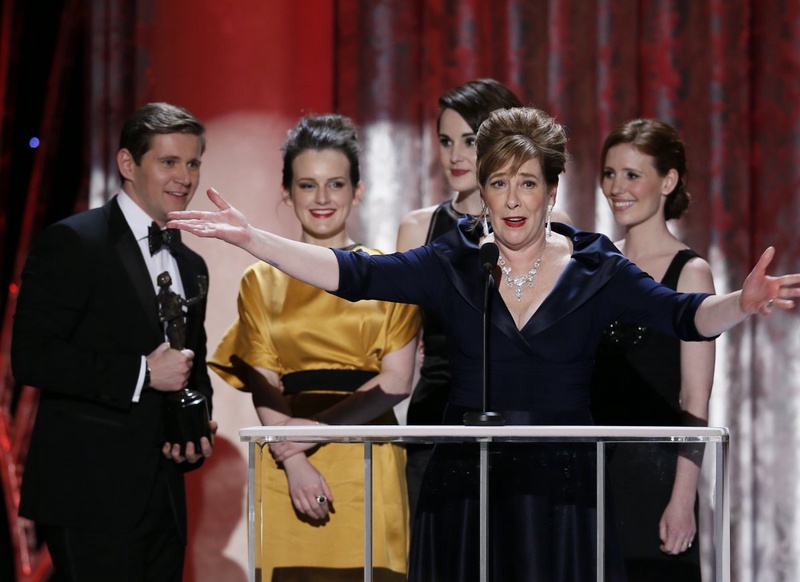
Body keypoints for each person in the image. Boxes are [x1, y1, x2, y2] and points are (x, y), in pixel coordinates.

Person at [167, 106, 799, 581]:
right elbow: (355, 275)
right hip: (468, 485)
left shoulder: (596, 267)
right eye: (498, 184)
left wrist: (741, 305)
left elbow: (684, 317)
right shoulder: (453, 261)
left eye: (527, 184)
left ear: (552, 192)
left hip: (564, 489)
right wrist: (253, 239)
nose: (512, 199)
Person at [208, 114, 420, 581]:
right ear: (287, 192)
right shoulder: (260, 280)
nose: (322, 199)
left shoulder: (391, 274)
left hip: (367, 455)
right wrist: (296, 457)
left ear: (357, 191)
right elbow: (261, 379)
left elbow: (398, 380)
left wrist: (317, 430)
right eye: (307, 185)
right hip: (286, 460)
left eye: (336, 184)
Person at [11, 102, 217, 582]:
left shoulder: (192, 265)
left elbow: (193, 363)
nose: (183, 177)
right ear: (128, 164)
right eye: (169, 162)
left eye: (192, 163)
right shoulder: (74, 242)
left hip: (164, 495)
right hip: (89, 493)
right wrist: (143, 373)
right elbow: (32, 356)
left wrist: (196, 426)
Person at [396, 78, 571, 521]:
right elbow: (399, 354)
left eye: (469, 141)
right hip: (438, 420)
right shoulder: (418, 228)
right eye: (445, 140)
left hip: (525, 424)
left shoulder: (555, 225)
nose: (455, 155)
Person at [590, 119, 714, 581]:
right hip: (590, 471)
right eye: (609, 173)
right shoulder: (594, 263)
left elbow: (694, 401)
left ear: (668, 180)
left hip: (656, 478)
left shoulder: (691, 273)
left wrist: (682, 499)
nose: (616, 187)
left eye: (632, 174)